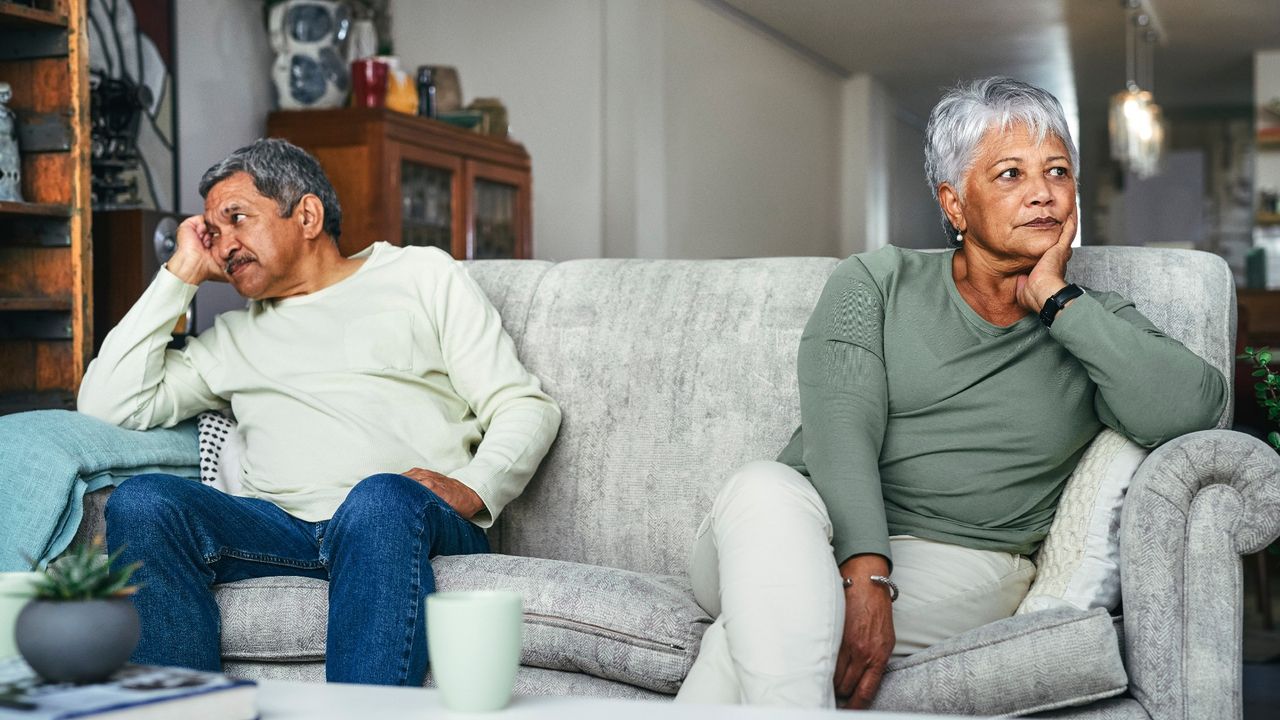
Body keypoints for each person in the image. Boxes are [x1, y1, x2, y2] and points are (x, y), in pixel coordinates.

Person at [673, 77, 1227, 709]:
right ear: (955, 205)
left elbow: (1194, 410)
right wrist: (865, 574)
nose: (1043, 193)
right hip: (793, 529)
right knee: (759, 485)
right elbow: (840, 432)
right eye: (1011, 175)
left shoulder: (1091, 322)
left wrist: (1059, 303)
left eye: (1058, 172)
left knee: (752, 635)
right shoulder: (875, 282)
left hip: (962, 561)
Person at [77, 138, 561, 686]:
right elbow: (106, 403)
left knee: (378, 496)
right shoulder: (232, 337)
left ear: (306, 214)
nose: (225, 244)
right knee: (145, 501)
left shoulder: (420, 276)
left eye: (238, 218)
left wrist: (473, 487)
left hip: (407, 516)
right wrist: (182, 271)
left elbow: (524, 406)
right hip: (280, 529)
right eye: (214, 232)